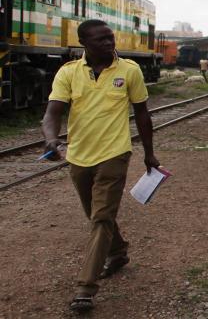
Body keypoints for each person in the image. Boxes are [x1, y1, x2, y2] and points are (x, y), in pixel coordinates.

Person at [41, 19, 159, 313]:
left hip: (114, 155)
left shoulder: (129, 70)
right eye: (101, 40)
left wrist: (149, 154)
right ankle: (118, 251)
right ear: (84, 44)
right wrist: (51, 140)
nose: (109, 43)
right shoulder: (68, 72)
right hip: (78, 157)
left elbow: (143, 115)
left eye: (111, 38)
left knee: (102, 218)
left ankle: (86, 287)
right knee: (96, 215)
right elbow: (52, 112)